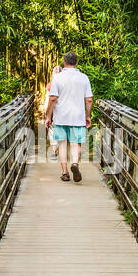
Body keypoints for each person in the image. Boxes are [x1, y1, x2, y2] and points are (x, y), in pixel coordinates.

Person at [44, 52, 92, 182]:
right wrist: (87, 116)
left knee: (62, 144)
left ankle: (65, 173)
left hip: (61, 117)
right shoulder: (84, 78)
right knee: (76, 144)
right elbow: (89, 100)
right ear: (76, 63)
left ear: (64, 62)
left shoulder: (58, 78)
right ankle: (75, 164)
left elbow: (53, 98)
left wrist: (48, 116)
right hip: (78, 117)